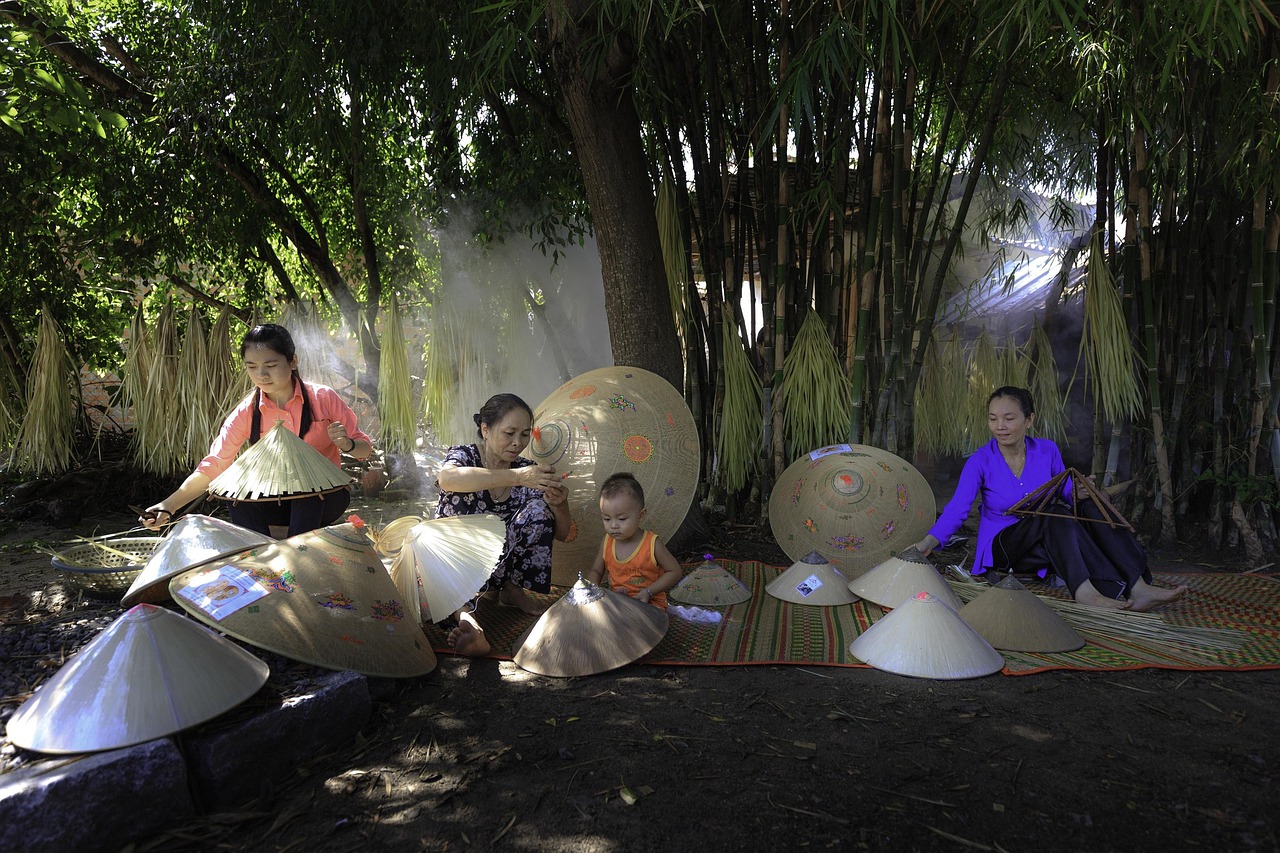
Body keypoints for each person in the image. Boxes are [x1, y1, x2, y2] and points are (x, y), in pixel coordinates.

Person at [910, 385, 1186, 612]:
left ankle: (1138, 586)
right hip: (1005, 546)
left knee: (1089, 504)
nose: (1000, 426)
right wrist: (929, 541)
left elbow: (1063, 490)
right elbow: (958, 509)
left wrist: (1078, 491)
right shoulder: (980, 461)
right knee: (1055, 516)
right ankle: (1085, 592)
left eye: (1009, 418)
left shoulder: (1046, 450)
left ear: (1029, 420)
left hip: (1046, 543)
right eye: (993, 418)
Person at [140, 323, 373, 538]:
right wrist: (168, 506)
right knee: (234, 493)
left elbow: (364, 450)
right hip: (273, 501)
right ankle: (257, 556)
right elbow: (215, 464)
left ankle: (300, 556)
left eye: (270, 366)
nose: (261, 375)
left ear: (293, 361)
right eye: (252, 367)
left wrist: (348, 445)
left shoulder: (323, 398)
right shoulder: (247, 412)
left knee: (307, 493)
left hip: (324, 499)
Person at [435, 393, 571, 655]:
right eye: (509, 432)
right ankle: (469, 624)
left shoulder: (527, 471)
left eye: (524, 434)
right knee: (473, 519)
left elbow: (562, 534)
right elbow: (448, 479)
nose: (517, 443)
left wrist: (560, 504)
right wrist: (516, 477)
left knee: (538, 510)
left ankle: (511, 589)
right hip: (454, 563)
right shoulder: (464, 456)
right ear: (485, 430)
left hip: (498, 566)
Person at [585, 473, 682, 609]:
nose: (613, 525)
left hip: (649, 605)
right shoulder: (607, 542)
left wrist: (649, 591)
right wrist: (593, 587)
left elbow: (675, 571)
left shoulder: (651, 544)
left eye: (622, 519)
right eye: (607, 519)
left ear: (640, 515)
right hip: (618, 605)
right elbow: (596, 570)